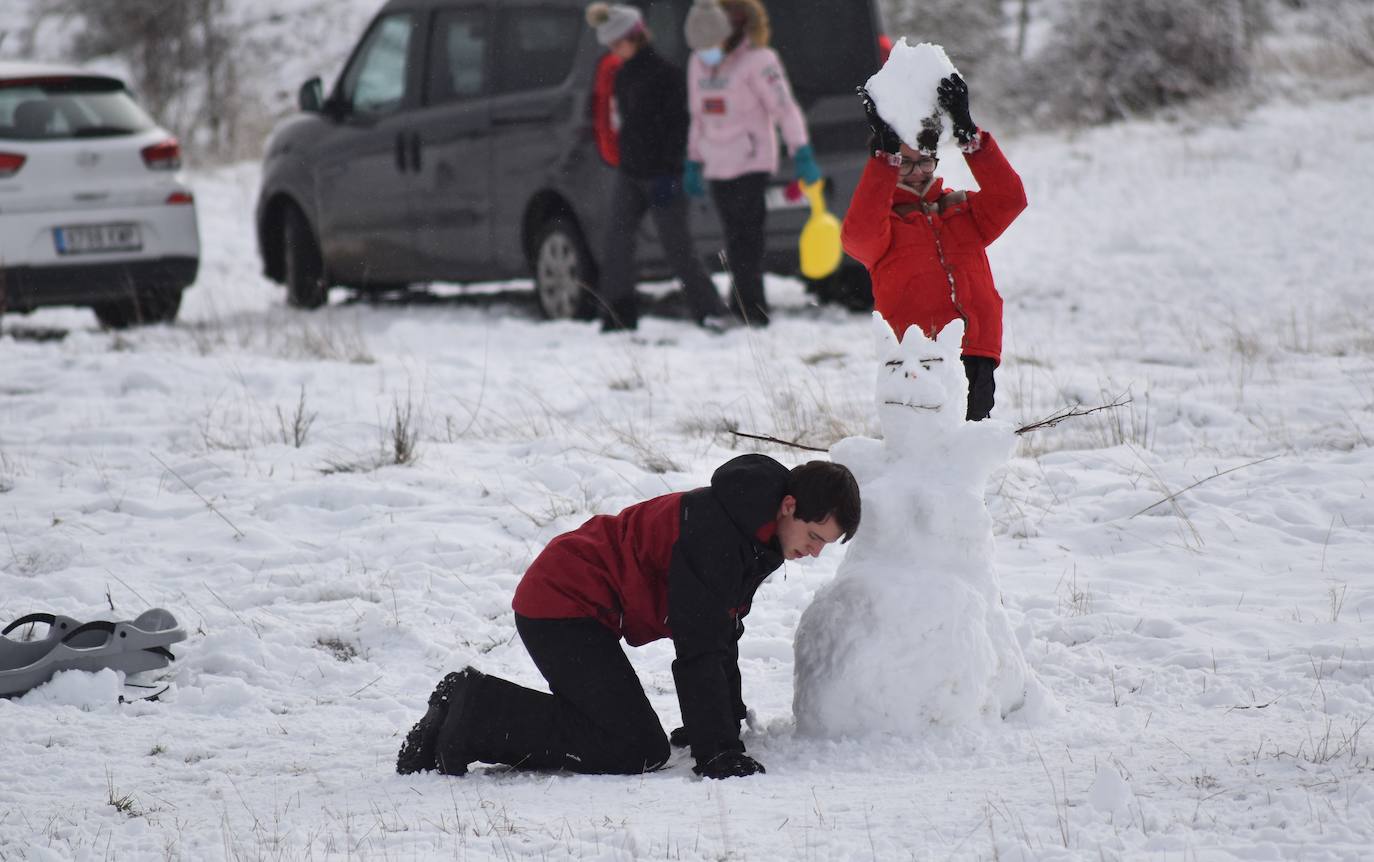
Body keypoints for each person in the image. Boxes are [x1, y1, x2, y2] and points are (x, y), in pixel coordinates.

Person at [396, 455, 861, 779]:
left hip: (580, 608)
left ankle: (472, 705)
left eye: (825, 543)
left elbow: (722, 631)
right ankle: (473, 711)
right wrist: (717, 749)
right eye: (815, 536)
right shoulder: (721, 534)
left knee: (621, 733)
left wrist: (723, 718)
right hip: (562, 603)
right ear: (789, 506)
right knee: (633, 747)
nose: (816, 552)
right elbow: (699, 645)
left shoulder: (757, 532)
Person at [841, 75, 1027, 421]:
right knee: (927, 441)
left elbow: (1010, 199)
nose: (916, 172)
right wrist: (884, 160)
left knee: (970, 441)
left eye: (925, 160)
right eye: (905, 162)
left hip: (976, 345)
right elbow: (858, 237)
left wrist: (970, 136)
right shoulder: (885, 224)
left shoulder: (960, 209)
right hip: (920, 355)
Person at [584, 3, 731, 332]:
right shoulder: (621, 76)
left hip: (665, 175)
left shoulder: (667, 75)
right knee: (617, 242)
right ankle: (618, 315)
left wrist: (671, 169)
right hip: (631, 173)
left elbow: (680, 127)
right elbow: (625, 123)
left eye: (616, 44)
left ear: (634, 37)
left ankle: (711, 311)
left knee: (677, 247)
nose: (613, 51)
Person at [682, 0, 820, 326]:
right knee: (733, 236)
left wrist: (801, 150)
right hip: (717, 163)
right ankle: (744, 305)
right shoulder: (697, 62)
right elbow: (698, 117)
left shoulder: (760, 61)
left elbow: (784, 109)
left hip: (750, 162)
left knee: (746, 237)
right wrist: (693, 160)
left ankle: (750, 310)